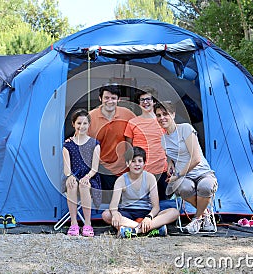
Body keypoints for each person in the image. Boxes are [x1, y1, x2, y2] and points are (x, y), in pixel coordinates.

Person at [154, 101, 218, 234]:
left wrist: (177, 175)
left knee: (206, 186)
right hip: (185, 176)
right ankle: (205, 216)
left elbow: (196, 159)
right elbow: (171, 155)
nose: (162, 118)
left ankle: (197, 218)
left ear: (173, 114)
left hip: (202, 172)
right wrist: (170, 165)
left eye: (165, 114)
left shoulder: (185, 129)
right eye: (158, 115)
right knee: (183, 188)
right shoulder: (163, 139)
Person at [102, 146, 179, 238]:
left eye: (140, 161)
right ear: (127, 163)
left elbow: (156, 207)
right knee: (106, 214)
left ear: (144, 163)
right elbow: (113, 206)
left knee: (174, 212)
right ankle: (150, 229)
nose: (137, 164)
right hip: (127, 213)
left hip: (146, 212)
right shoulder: (121, 180)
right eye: (133, 161)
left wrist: (149, 217)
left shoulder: (150, 178)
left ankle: (133, 230)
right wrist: (115, 214)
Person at [88, 84, 136, 193]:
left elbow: (140, 131)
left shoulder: (128, 114)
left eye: (113, 98)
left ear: (118, 99)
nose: (110, 101)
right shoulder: (90, 117)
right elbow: (81, 139)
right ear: (100, 98)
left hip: (124, 167)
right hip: (101, 168)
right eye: (106, 98)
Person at [124, 86, 168, 200]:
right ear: (138, 103)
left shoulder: (163, 121)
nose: (145, 102)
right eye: (142, 100)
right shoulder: (132, 122)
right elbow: (129, 147)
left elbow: (171, 145)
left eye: (148, 99)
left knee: (163, 202)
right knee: (142, 205)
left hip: (161, 170)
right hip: (140, 171)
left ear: (154, 102)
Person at [62, 109, 101, 237]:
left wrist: (87, 177)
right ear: (73, 124)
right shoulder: (68, 145)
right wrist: (70, 176)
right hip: (73, 175)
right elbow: (66, 168)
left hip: (90, 176)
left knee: (84, 185)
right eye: (79, 123)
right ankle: (74, 223)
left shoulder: (94, 143)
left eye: (85, 123)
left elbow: (95, 168)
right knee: (72, 184)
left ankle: (88, 224)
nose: (82, 126)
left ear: (89, 124)